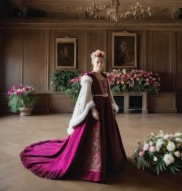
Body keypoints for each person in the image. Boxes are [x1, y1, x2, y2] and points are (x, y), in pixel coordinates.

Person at [20, 49, 127, 182]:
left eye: (102, 62)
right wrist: (93, 110)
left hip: (105, 109)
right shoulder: (89, 77)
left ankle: (109, 161)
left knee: (108, 135)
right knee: (94, 137)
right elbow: (86, 97)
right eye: (97, 62)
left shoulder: (105, 76)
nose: (100, 64)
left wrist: (112, 106)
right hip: (96, 108)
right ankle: (93, 166)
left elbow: (109, 94)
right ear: (92, 62)